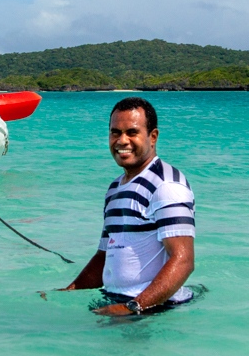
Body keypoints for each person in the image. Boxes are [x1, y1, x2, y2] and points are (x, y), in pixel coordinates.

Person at [61, 96, 196, 316]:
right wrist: (68, 292)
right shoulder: (115, 188)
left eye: (132, 132)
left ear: (153, 137)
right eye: (115, 132)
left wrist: (133, 308)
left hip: (155, 309)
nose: (122, 141)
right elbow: (104, 256)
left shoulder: (166, 185)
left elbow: (183, 261)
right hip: (118, 302)